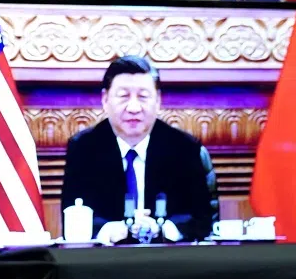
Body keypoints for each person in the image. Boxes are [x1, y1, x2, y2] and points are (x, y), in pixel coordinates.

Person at [60, 56, 213, 243]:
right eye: (123, 96)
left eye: (143, 97)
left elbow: (202, 218)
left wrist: (163, 228)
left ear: (158, 102)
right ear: (105, 100)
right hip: (106, 261)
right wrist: (109, 229)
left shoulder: (183, 148)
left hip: (170, 260)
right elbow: (73, 213)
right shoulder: (84, 148)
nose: (133, 108)